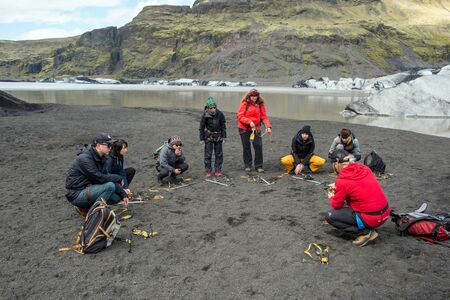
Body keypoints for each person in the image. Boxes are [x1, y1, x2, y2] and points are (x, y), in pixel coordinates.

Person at [324, 149, 390, 247]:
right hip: (385, 213)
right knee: (351, 200)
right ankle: (367, 227)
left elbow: (336, 205)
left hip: (372, 218)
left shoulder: (343, 181)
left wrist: (331, 195)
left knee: (330, 216)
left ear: (337, 163)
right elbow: (357, 186)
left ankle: (364, 233)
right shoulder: (364, 168)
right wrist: (339, 187)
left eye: (333, 164)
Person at [65, 133, 130, 214]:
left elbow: (106, 176)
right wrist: (118, 178)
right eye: (108, 145)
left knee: (117, 198)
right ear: (98, 145)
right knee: (110, 186)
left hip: (89, 188)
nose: (111, 147)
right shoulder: (85, 158)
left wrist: (123, 194)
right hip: (76, 193)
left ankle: (87, 207)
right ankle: (94, 213)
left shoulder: (102, 157)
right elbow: (99, 178)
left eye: (111, 144)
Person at [236, 88, 272, 172]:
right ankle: (248, 165)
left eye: (256, 96)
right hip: (244, 128)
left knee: (258, 146)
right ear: (249, 96)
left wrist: (268, 126)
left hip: (256, 128)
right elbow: (240, 116)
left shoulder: (260, 104)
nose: (254, 97)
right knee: (246, 147)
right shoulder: (245, 103)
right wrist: (249, 121)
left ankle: (258, 166)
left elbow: (264, 116)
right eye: (253, 96)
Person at [199, 97, 227, 177]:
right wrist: (201, 138)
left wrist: (224, 136)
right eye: (211, 108)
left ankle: (218, 170)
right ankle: (208, 171)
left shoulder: (220, 114)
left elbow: (223, 126)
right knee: (208, 154)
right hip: (208, 137)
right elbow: (201, 127)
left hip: (218, 136)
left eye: (214, 107)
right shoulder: (205, 115)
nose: (213, 109)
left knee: (219, 154)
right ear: (208, 108)